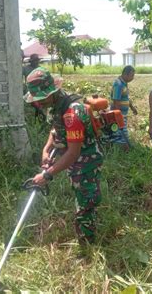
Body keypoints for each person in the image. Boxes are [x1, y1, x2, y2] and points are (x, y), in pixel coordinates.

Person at [24, 67, 103, 244]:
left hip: (86, 162)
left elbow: (73, 153)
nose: (38, 103)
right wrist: (46, 150)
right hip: (74, 161)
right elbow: (55, 130)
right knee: (80, 196)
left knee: (85, 203)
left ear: (52, 91)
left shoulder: (72, 114)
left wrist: (47, 173)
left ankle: (88, 246)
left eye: (41, 98)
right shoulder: (54, 106)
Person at [110, 65, 137, 151]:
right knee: (122, 132)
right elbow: (116, 100)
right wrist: (118, 116)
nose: (133, 78)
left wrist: (132, 107)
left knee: (120, 132)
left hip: (122, 114)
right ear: (126, 74)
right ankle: (126, 150)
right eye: (132, 75)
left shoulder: (124, 83)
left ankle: (123, 148)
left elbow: (126, 98)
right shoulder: (118, 84)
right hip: (119, 114)